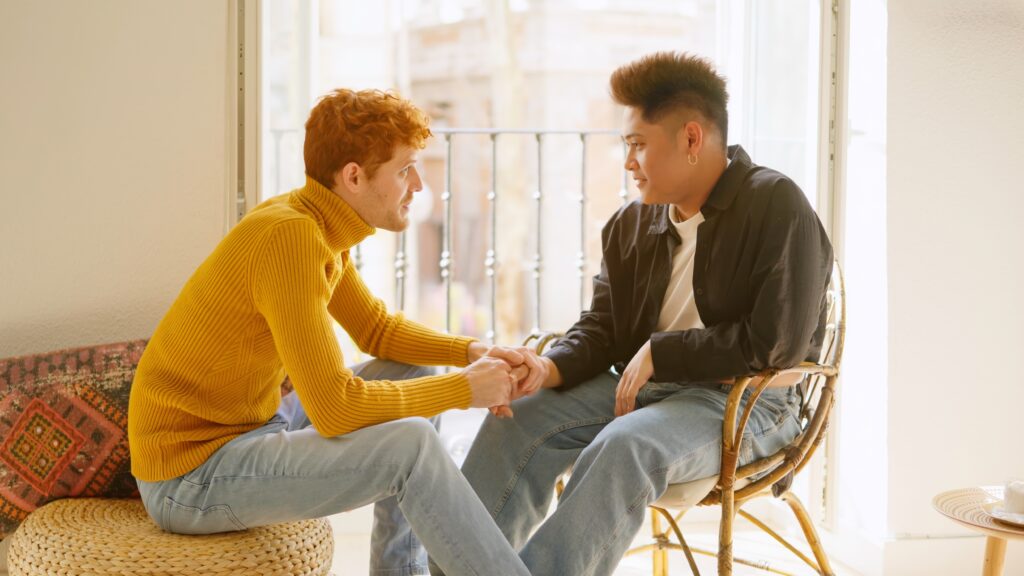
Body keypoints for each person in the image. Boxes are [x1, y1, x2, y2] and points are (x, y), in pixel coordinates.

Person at [443, 51, 834, 576]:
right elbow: (603, 329)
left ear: (692, 139)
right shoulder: (631, 223)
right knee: (522, 417)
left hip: (751, 401)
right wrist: (547, 368)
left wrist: (661, 351)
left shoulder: (776, 204)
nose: (627, 163)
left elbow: (775, 344)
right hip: (645, 392)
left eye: (637, 145)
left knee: (623, 446)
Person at [127, 88, 548, 576]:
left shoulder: (316, 221)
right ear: (353, 177)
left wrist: (477, 352)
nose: (417, 186)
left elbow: (376, 330)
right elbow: (334, 409)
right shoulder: (292, 238)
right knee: (409, 444)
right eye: (404, 169)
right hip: (191, 475)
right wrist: (464, 390)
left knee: (415, 371)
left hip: (252, 427)